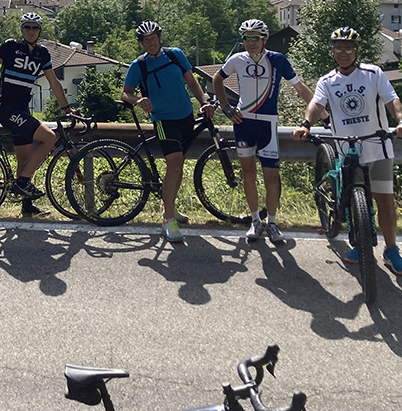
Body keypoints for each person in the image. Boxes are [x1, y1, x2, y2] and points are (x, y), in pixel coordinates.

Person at [292, 27, 402, 277]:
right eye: (338, 47)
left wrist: (401, 121)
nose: (343, 52)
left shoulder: (373, 74)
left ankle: (392, 251)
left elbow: (392, 99)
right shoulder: (327, 81)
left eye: (349, 47)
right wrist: (306, 124)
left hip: (377, 147)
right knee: (351, 199)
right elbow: (316, 105)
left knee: (385, 201)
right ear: (332, 51)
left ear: (356, 51)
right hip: (346, 148)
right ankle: (359, 242)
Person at [212, 19, 313, 245]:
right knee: (248, 174)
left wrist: (322, 112)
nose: (251, 43)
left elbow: (299, 88)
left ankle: (273, 222)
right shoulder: (237, 59)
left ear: (264, 39)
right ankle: (255, 220)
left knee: (271, 177)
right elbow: (217, 78)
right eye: (247, 38)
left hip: (267, 123)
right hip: (243, 123)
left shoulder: (277, 60)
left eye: (255, 38)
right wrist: (227, 108)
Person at [122, 21, 216, 243]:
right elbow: (126, 93)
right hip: (163, 120)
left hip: (186, 116)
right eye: (146, 40)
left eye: (153, 37)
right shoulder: (139, 65)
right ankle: (168, 220)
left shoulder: (175, 55)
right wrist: (138, 100)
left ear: (160, 38)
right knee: (174, 164)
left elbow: (192, 82)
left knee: (178, 166)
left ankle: (168, 209)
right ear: (142, 43)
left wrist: (204, 100)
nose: (151, 42)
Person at [0, 12, 75, 211]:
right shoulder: (10, 46)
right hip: (7, 109)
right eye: (27, 27)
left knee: (25, 159)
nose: (30, 31)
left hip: (23, 110)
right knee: (49, 138)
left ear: (40, 31)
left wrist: (66, 108)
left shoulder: (42, 53)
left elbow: (53, 82)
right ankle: (23, 181)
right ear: (21, 29)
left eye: (35, 27)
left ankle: (26, 203)